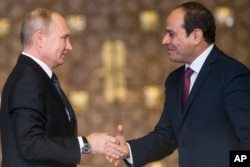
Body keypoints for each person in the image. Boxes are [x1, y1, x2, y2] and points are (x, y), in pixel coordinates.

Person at [110, 2, 250, 167]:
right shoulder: (174, 80)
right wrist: (128, 150)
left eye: (171, 34)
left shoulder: (233, 75)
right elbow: (166, 136)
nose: (164, 40)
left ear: (196, 36)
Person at [0, 8, 125, 167]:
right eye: (64, 38)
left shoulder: (37, 77)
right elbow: (30, 144)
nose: (69, 47)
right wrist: (86, 144)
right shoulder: (27, 80)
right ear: (40, 38)